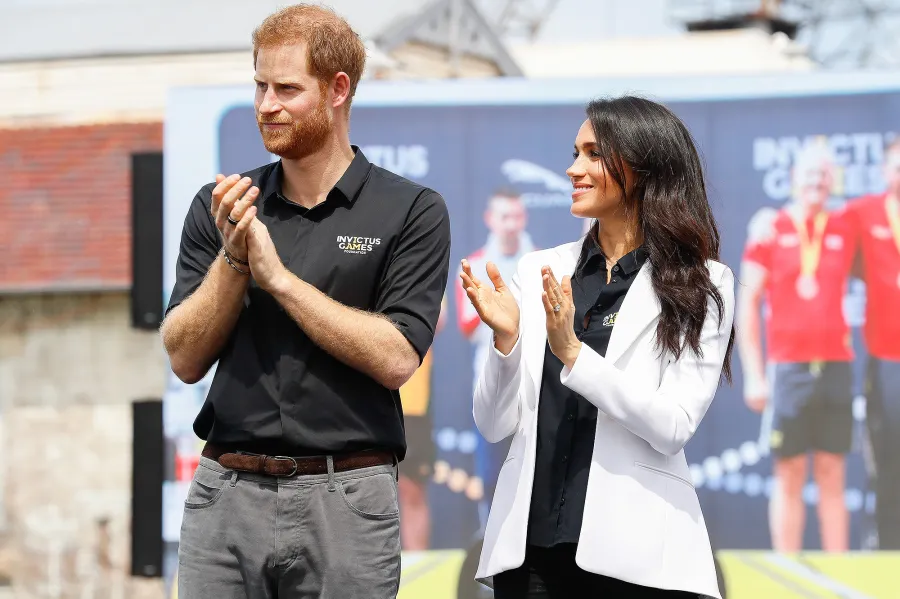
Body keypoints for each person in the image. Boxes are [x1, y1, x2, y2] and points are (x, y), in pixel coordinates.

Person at [159, 5, 451, 598]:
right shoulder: (224, 205)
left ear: (338, 90)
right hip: (226, 493)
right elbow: (183, 358)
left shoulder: (411, 210)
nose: (266, 105)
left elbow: (398, 357)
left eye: (287, 89)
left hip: (347, 499)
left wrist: (281, 280)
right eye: (260, 86)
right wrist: (234, 261)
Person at [460, 96, 735, 598]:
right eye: (575, 153)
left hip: (637, 557)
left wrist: (573, 353)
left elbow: (673, 426)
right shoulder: (539, 269)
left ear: (643, 168)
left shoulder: (703, 282)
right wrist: (506, 341)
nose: (573, 169)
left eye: (593, 154)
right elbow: (493, 423)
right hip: (529, 556)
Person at [738, 140, 855, 553]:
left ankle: (838, 574)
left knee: (832, 473)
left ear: (832, 181)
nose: (816, 182)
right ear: (793, 179)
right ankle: (786, 572)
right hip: (788, 370)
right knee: (788, 473)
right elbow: (747, 303)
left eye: (823, 175)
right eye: (809, 174)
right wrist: (754, 375)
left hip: (836, 366)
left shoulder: (845, 225)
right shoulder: (770, 229)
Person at [455, 189, 535, 523]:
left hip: (534, 385)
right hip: (492, 383)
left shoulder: (540, 262)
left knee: (533, 475)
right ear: (490, 219)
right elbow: (467, 326)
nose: (512, 224)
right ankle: (490, 539)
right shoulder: (474, 265)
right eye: (505, 216)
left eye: (517, 216)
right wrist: (504, 314)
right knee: (491, 475)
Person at [846, 137, 900, 550]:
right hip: (887, 359)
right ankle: (889, 545)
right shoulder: (863, 212)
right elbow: (820, 237)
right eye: (897, 166)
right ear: (884, 170)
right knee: (888, 458)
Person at [397, 295, 447, 551]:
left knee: (412, 490)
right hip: (364, 399)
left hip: (412, 405)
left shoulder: (420, 273)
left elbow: (438, 318)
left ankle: (415, 565)